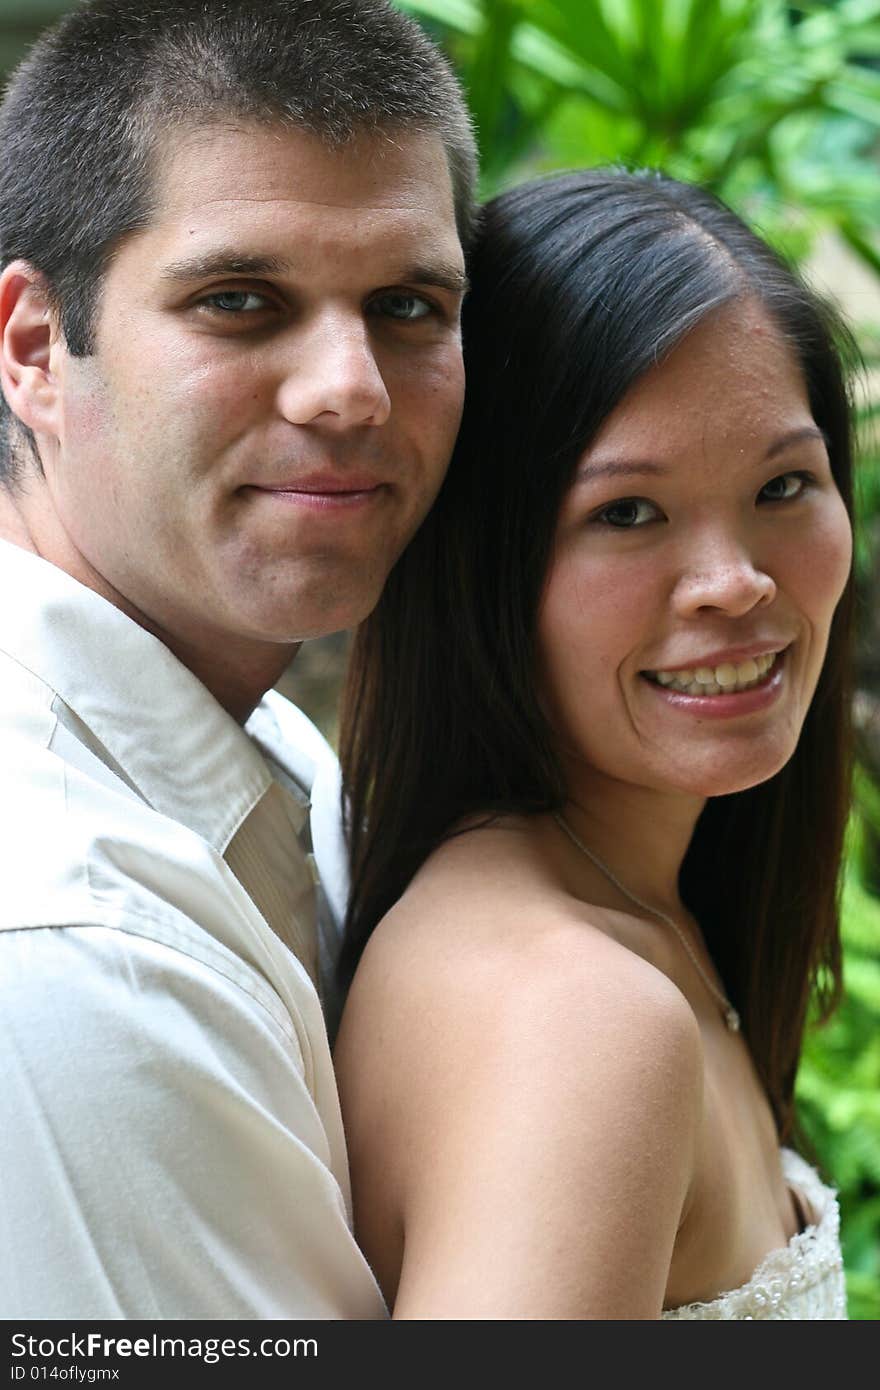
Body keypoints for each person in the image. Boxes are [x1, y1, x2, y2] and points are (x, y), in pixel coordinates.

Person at [0, 0, 475, 1319]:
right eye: (241, 301)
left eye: (407, 306)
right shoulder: (64, 940)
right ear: (36, 346)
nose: (349, 389)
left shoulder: (264, 748)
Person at [334, 169, 855, 1319]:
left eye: (783, 484)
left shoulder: (634, 906)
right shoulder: (578, 1017)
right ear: (484, 560)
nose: (735, 583)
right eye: (627, 512)